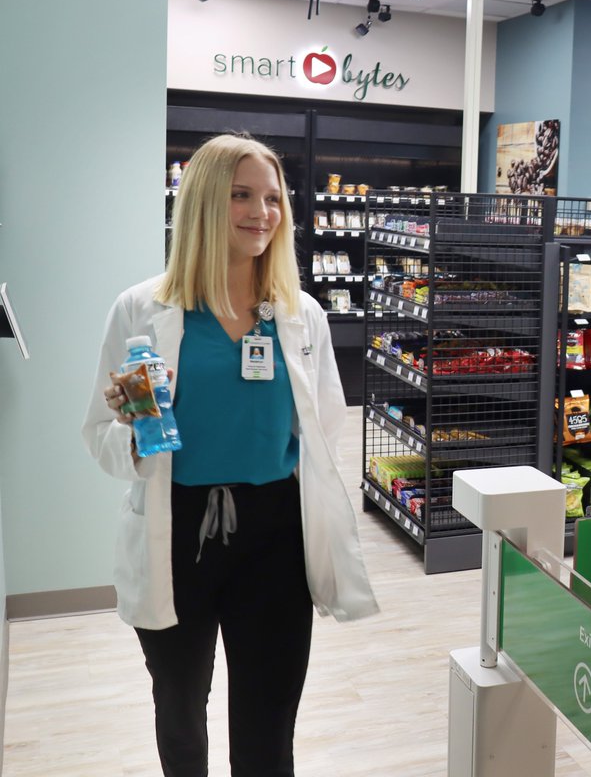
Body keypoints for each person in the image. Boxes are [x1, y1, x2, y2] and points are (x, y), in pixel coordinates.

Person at [82, 133, 379, 777]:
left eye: (272, 198)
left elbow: (323, 432)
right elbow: (98, 434)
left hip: (274, 536)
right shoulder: (142, 309)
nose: (260, 212)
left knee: (269, 727)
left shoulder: (302, 316)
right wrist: (132, 429)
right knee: (182, 718)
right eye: (240, 195)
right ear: (202, 204)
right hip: (177, 533)